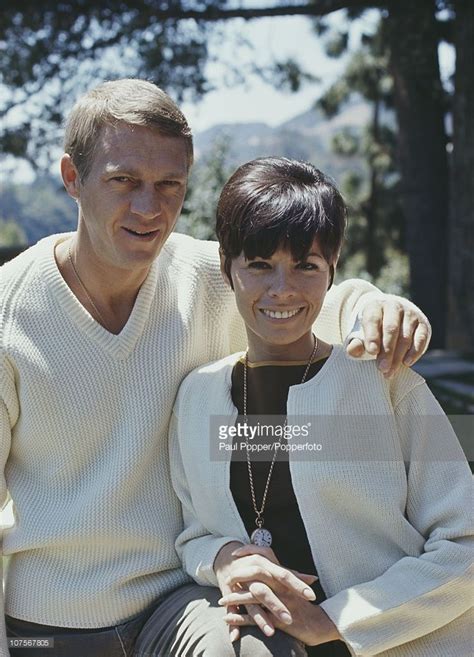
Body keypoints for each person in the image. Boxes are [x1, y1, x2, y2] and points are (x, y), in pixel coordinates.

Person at [0, 79, 432, 657]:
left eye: (169, 185)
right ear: (72, 178)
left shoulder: (209, 274)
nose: (150, 208)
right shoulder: (8, 312)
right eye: (124, 181)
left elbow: (301, 297)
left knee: (260, 649)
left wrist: (374, 306)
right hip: (52, 622)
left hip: (185, 598)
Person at [169, 157, 472, 656]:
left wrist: (333, 620)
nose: (282, 289)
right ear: (228, 268)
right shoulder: (199, 396)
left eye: (306, 265)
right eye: (260, 264)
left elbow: (464, 545)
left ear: (332, 270)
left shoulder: (383, 382)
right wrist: (223, 558)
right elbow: (193, 534)